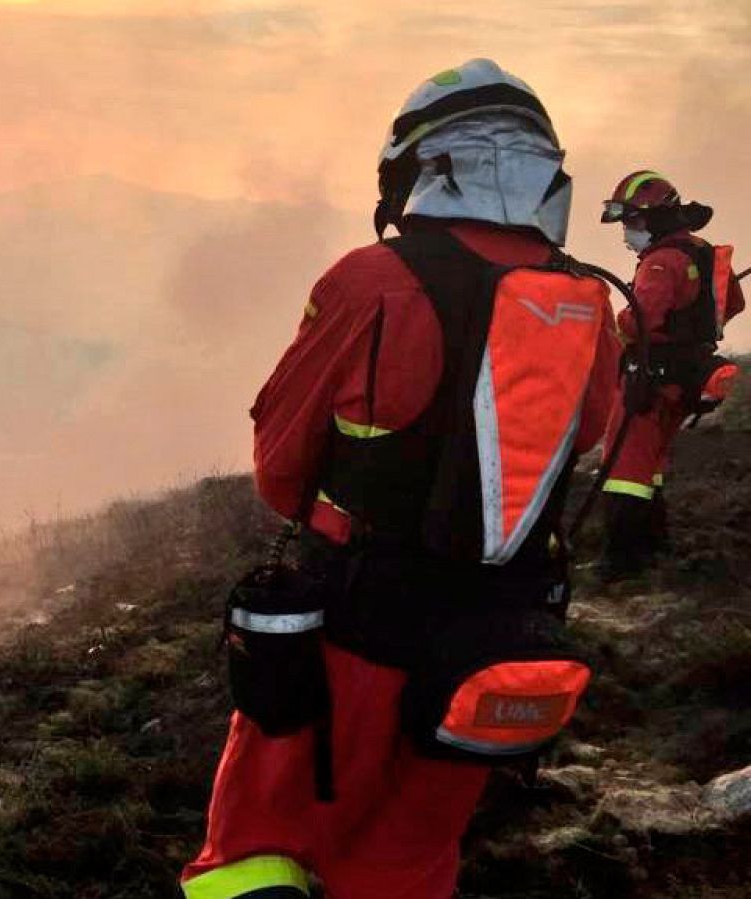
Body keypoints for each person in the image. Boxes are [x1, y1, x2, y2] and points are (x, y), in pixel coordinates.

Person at [181, 60, 621, 899]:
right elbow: (587, 439)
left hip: (354, 628)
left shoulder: (374, 281)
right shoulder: (586, 304)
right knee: (408, 863)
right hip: (495, 644)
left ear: (420, 167)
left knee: (252, 853)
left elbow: (280, 468)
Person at [596, 172, 743, 576]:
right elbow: (733, 304)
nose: (628, 232)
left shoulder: (661, 262)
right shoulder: (705, 253)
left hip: (650, 378)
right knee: (651, 465)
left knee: (625, 468)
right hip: (685, 377)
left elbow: (637, 321)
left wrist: (608, 322)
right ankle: (654, 544)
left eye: (634, 223)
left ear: (657, 219)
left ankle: (622, 561)